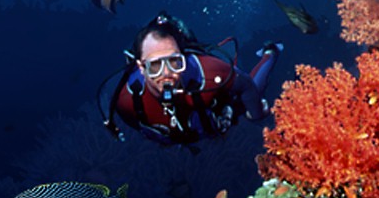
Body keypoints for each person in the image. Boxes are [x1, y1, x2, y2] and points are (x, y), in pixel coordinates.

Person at [104, 12, 281, 145]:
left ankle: (270, 52)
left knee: (250, 97)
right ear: (141, 68)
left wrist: (255, 114)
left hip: (215, 112)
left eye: (174, 62)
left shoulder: (208, 72)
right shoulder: (126, 100)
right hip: (188, 133)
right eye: (156, 66)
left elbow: (246, 84)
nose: (167, 73)